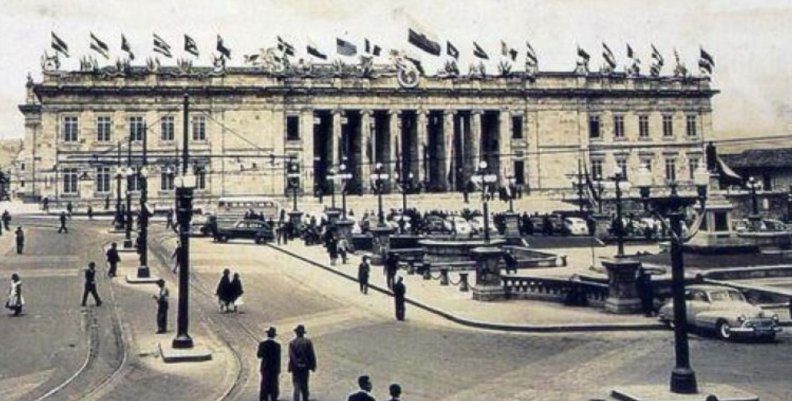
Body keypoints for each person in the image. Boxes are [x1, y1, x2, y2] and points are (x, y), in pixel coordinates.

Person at [288, 324, 317, 401]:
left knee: (296, 386)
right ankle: (305, 399)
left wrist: (295, 365)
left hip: (296, 368)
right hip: (305, 367)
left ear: (296, 333)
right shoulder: (308, 342)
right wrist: (313, 366)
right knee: (305, 386)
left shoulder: (292, 343)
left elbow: (292, 356)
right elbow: (311, 355)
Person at [257, 326, 281, 401]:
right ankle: (273, 397)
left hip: (265, 367)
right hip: (274, 368)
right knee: (274, 384)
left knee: (264, 383)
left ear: (267, 335)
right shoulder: (277, 346)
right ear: (274, 336)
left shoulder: (262, 344)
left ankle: (264, 398)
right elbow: (278, 358)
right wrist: (278, 369)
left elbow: (259, 355)